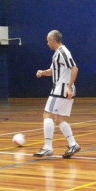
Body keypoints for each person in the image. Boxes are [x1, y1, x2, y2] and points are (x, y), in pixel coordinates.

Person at [34, 30, 80, 159]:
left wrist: (69, 87)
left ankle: (48, 147)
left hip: (61, 89)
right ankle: (73, 144)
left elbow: (74, 68)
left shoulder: (62, 52)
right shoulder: (57, 54)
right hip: (63, 89)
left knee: (47, 114)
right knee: (59, 118)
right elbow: (53, 71)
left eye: (48, 41)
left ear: (53, 40)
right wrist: (43, 72)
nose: (47, 43)